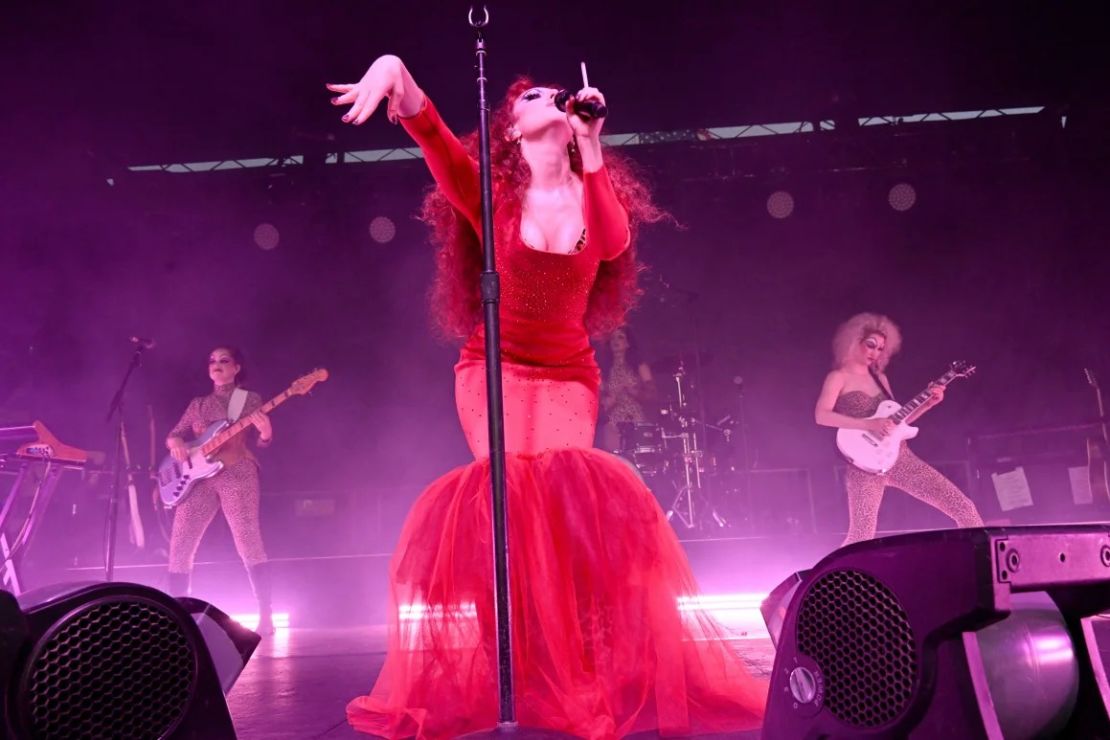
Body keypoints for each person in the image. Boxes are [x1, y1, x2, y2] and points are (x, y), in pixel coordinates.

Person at [328, 55, 766, 739]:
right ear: (510, 131)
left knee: (563, 504)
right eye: (531, 96)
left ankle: (579, 670)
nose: (547, 97)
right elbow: (434, 133)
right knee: (511, 503)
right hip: (491, 368)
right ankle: (521, 671)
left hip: (568, 373)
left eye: (554, 94)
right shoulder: (489, 197)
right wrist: (391, 70)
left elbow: (616, 241)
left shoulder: (594, 195)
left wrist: (591, 141)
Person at [814, 313, 984, 546]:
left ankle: (983, 567)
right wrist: (869, 425)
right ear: (855, 342)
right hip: (863, 468)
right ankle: (837, 581)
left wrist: (929, 403)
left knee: (964, 507)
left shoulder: (880, 379)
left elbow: (896, 423)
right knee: (861, 536)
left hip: (901, 459)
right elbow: (821, 416)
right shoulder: (838, 377)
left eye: (880, 348)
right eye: (870, 345)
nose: (874, 352)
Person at [165, 346, 275, 635]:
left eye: (224, 360)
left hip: (237, 471)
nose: (217, 364)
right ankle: (179, 617)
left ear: (236, 368)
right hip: (199, 477)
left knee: (247, 539)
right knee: (180, 544)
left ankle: (266, 616)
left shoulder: (249, 399)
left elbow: (261, 440)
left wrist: (265, 434)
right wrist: (175, 443)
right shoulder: (198, 404)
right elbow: (175, 433)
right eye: (212, 360)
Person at [598, 326, 657, 452]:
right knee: (614, 463)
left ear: (628, 343)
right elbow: (599, 400)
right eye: (612, 337)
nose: (615, 340)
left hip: (635, 420)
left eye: (620, 337)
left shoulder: (639, 366)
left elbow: (652, 395)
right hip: (613, 422)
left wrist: (634, 392)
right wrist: (608, 401)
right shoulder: (604, 369)